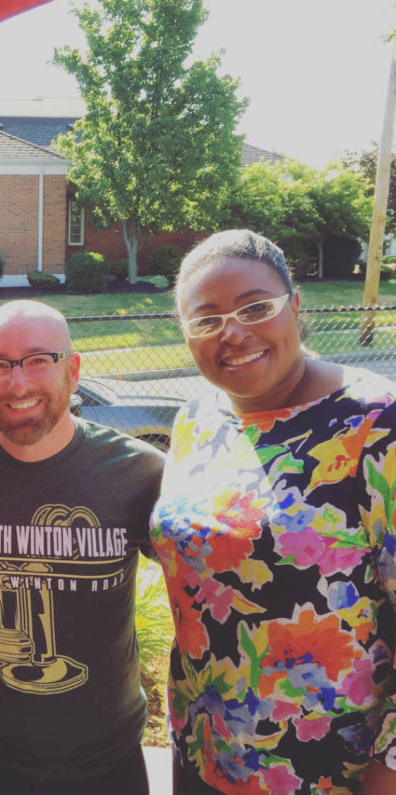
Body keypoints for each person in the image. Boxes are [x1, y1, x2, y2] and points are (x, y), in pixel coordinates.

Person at [150, 229, 396, 795]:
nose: (233, 332)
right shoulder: (197, 419)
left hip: (328, 772)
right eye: (205, 319)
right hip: (204, 752)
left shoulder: (373, 424)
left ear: (296, 305)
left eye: (256, 307)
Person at [0, 299, 165, 795]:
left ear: (73, 369)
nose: (18, 383)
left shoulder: (139, 473)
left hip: (105, 762)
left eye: (39, 359)